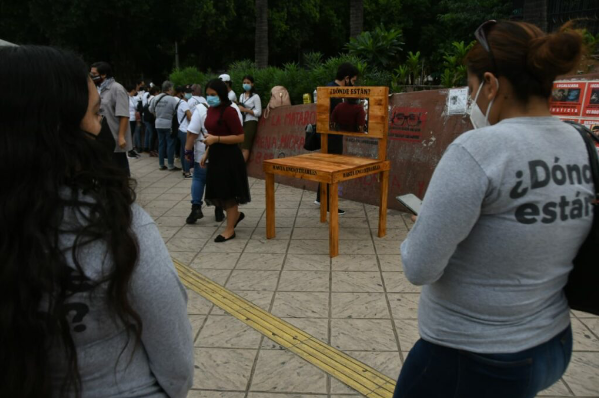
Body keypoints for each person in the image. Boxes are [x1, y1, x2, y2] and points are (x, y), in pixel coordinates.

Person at [392, 21, 591, 398]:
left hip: (472, 357)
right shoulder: (579, 141)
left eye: (471, 90)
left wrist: (426, 228)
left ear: (491, 84)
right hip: (553, 346)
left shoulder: (478, 149)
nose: (472, 101)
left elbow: (419, 267)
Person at [0, 45, 193, 398]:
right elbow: (173, 349)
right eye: (92, 114)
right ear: (55, 129)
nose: (98, 123)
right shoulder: (115, 222)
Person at [200, 79, 250, 241]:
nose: (210, 98)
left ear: (221, 94)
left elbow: (240, 137)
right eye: (207, 95)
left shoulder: (229, 111)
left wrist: (217, 140)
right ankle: (235, 215)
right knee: (219, 192)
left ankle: (230, 230)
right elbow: (211, 133)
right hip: (215, 155)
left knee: (228, 193)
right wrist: (207, 152)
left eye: (213, 95)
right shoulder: (211, 110)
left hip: (229, 158)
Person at [315, 62, 359, 215]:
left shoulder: (331, 88)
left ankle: (321, 198)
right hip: (331, 134)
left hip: (332, 133)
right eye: (353, 81)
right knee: (332, 168)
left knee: (327, 166)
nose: (353, 85)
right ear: (346, 78)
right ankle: (329, 203)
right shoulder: (332, 91)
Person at [90, 61, 133, 175]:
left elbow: (123, 114)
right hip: (101, 135)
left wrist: (121, 137)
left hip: (114, 136)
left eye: (94, 74)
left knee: (118, 166)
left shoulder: (117, 89)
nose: (91, 76)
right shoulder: (96, 89)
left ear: (103, 75)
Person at [185, 100, 209, 223]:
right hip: (221, 152)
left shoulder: (199, 109)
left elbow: (192, 132)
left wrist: (187, 151)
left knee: (199, 179)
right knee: (216, 180)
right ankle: (219, 209)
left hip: (202, 152)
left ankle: (196, 207)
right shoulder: (230, 106)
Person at [149, 81, 181, 171]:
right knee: (170, 144)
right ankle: (170, 165)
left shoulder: (156, 98)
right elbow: (176, 111)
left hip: (158, 123)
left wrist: (158, 114)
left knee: (161, 144)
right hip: (168, 124)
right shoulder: (172, 99)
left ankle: (161, 164)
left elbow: (150, 109)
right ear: (170, 89)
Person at [237, 75, 263, 162]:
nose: (246, 84)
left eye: (248, 83)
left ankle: (241, 167)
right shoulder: (241, 95)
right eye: (244, 83)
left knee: (245, 146)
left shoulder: (256, 97)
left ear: (252, 84)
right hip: (242, 121)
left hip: (251, 121)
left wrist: (245, 110)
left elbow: (258, 112)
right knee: (239, 145)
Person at [175, 86, 193, 178]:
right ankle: (187, 171)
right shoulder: (184, 104)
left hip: (181, 129)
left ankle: (184, 170)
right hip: (185, 130)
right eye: (187, 92)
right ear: (182, 93)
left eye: (190, 92)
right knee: (187, 151)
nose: (190, 94)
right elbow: (189, 116)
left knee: (183, 151)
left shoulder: (180, 102)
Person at [143, 85, 160, 156]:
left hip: (146, 118)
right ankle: (151, 149)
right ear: (156, 92)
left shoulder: (149, 97)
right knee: (152, 134)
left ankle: (149, 148)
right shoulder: (154, 98)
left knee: (149, 133)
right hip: (151, 119)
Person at [126, 83, 142, 158]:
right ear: (132, 90)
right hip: (129, 118)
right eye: (135, 90)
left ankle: (131, 149)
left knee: (132, 134)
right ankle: (129, 151)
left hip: (133, 118)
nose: (136, 91)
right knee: (130, 135)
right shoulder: (126, 97)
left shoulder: (132, 97)